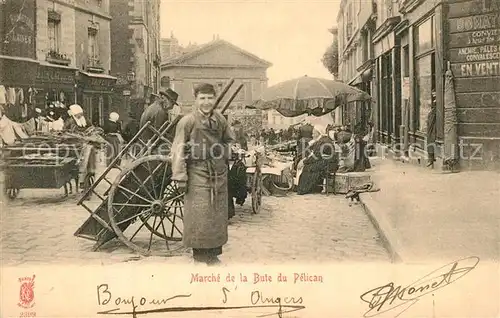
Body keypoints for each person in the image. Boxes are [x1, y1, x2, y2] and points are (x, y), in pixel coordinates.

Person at [171, 83, 235, 265]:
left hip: (218, 173)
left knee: (216, 214)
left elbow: (230, 140)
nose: (206, 102)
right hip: (197, 173)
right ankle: (199, 255)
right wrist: (180, 176)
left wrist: (223, 152)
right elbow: (178, 149)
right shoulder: (188, 121)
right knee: (200, 214)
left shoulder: (220, 120)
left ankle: (214, 253)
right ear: (196, 99)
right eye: (202, 98)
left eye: (209, 98)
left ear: (214, 99)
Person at [296, 126, 339, 195]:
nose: (312, 135)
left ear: (318, 133)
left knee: (308, 167)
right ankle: (308, 187)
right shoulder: (322, 140)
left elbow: (316, 156)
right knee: (308, 165)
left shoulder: (323, 141)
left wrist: (304, 162)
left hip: (328, 164)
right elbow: (315, 154)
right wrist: (305, 160)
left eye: (313, 133)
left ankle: (303, 189)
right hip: (326, 162)